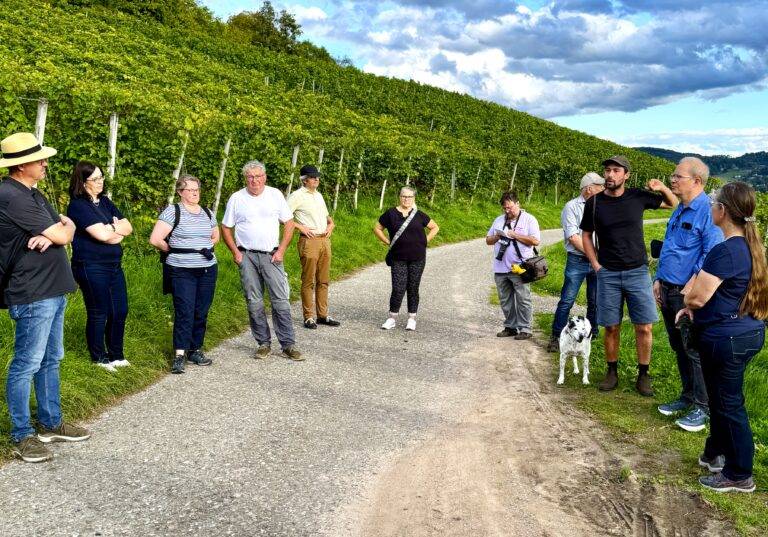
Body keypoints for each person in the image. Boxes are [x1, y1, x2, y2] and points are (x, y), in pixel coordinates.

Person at [0, 132, 90, 463]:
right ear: (22, 165)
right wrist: (56, 234)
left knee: (51, 358)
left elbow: (67, 226)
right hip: (32, 292)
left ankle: (51, 423)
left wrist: (55, 235)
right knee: (27, 361)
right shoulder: (12, 196)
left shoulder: (31, 194)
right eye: (40, 159)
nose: (45, 163)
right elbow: (62, 233)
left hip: (51, 288)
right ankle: (22, 435)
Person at [676, 181, 767, 493]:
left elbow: (697, 298)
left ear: (722, 211)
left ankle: (740, 472)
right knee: (719, 397)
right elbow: (728, 294)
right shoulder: (751, 247)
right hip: (745, 332)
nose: (711, 207)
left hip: (727, 339)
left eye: (714, 203)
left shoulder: (725, 251)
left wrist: (688, 302)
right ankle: (716, 454)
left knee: (729, 404)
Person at [580, 155, 677, 396]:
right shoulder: (594, 203)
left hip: (637, 271)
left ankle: (643, 375)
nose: (610, 174)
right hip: (608, 273)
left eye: (615, 170)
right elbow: (586, 234)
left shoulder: (638, 197)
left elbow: (673, 203)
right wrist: (595, 264)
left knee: (644, 326)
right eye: (607, 170)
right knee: (610, 326)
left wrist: (663, 187)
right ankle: (612, 372)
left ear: (626, 175)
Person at [654, 157, 722, 432]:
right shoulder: (680, 209)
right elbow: (670, 247)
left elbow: (710, 254)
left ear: (697, 181)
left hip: (686, 293)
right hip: (668, 288)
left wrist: (691, 288)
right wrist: (658, 279)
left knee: (694, 349)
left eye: (677, 176)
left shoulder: (707, 211)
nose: (672, 180)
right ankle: (687, 396)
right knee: (679, 346)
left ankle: (702, 407)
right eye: (673, 175)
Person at [221, 160, 303, 360]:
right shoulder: (236, 198)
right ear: (245, 178)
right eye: (250, 176)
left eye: (258, 176)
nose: (254, 180)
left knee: (280, 300)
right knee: (254, 301)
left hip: (272, 255)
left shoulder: (275, 195)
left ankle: (288, 344)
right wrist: (236, 253)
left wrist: (282, 250)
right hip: (246, 255)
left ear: (265, 177)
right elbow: (225, 227)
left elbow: (289, 223)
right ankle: (263, 343)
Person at [67, 161, 133, 372]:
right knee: (99, 311)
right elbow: (103, 234)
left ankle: (117, 355)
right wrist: (115, 228)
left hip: (113, 264)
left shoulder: (105, 202)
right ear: (83, 182)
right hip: (91, 266)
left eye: (101, 177)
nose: (100, 181)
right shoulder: (78, 205)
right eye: (95, 179)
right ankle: (99, 358)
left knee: (120, 310)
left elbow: (128, 227)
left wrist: (112, 231)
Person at [150, 175, 219, 374]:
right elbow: (155, 239)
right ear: (180, 192)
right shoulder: (173, 211)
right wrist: (174, 249)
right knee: (184, 311)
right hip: (181, 270)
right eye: (190, 189)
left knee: (201, 310)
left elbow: (216, 235)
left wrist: (204, 247)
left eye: (197, 189)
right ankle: (180, 354)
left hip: (207, 267)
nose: (195, 193)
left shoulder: (207, 212)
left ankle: (195, 349)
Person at [547, 172, 604, 352]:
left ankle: (592, 333)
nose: (603, 189)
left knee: (594, 300)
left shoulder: (603, 205)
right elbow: (573, 237)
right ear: (589, 188)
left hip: (598, 260)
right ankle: (556, 336)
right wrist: (593, 254)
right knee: (567, 300)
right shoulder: (571, 207)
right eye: (599, 186)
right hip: (578, 260)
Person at [374, 186, 439, 331]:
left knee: (413, 288)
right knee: (398, 288)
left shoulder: (419, 215)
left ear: (414, 198)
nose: (406, 199)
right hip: (398, 257)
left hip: (418, 257)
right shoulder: (390, 214)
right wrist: (386, 241)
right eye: (404, 196)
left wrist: (425, 241)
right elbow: (377, 228)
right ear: (399, 197)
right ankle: (392, 318)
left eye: (409, 197)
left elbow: (435, 227)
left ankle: (412, 318)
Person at [287, 164, 340, 329]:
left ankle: (322, 315)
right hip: (309, 241)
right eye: (312, 177)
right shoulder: (296, 196)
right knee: (308, 280)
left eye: (317, 176)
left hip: (324, 240)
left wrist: (331, 225)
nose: (316, 179)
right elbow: (282, 217)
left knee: (323, 280)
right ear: (304, 180)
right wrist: (300, 227)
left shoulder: (319, 195)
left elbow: (328, 218)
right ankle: (308, 316)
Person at [486, 190, 541, 340]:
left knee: (523, 298)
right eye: (504, 208)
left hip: (520, 267)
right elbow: (488, 240)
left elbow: (536, 241)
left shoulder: (529, 219)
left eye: (510, 207)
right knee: (505, 300)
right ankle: (510, 327)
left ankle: (525, 328)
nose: (507, 211)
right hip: (500, 267)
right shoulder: (498, 220)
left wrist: (516, 235)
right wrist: (498, 236)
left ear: (518, 204)